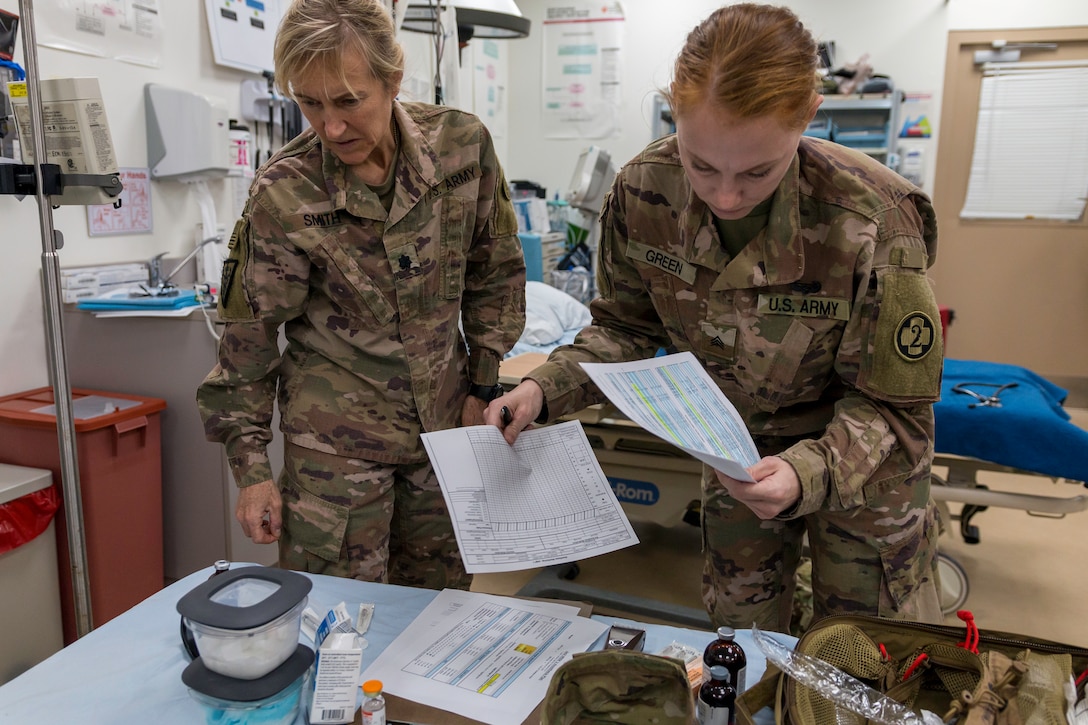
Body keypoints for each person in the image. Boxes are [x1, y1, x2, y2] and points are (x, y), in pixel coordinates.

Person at [489, 3, 944, 633]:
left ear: (809, 116)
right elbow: (626, 327)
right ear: (674, 108)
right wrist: (545, 385)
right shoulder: (646, 190)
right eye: (702, 164)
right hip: (740, 455)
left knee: (863, 656)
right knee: (742, 643)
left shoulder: (873, 217)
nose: (725, 196)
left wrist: (807, 470)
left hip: (864, 472)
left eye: (757, 170)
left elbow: (897, 406)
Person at [196, 0, 525, 590]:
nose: (331, 127)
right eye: (310, 103)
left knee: (440, 612)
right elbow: (247, 340)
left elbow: (494, 273)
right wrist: (251, 470)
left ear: (393, 80)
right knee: (336, 620)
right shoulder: (286, 191)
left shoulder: (462, 147)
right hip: (333, 454)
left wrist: (482, 384)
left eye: (349, 100)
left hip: (443, 432)